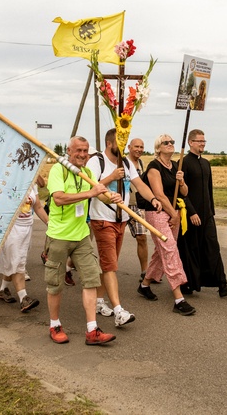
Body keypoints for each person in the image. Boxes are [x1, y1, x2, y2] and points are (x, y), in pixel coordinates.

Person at [44, 136, 119, 345]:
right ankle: (54, 324)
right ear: (69, 151)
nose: (83, 154)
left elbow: (99, 194)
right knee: (55, 284)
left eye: (86, 151)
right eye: (78, 150)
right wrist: (91, 192)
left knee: (91, 279)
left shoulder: (86, 173)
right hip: (58, 236)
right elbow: (58, 198)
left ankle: (92, 330)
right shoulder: (58, 170)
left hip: (81, 236)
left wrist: (111, 197)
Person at [87, 129, 161, 327]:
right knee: (110, 265)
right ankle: (119, 311)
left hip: (121, 219)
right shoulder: (97, 161)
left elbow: (139, 184)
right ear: (110, 143)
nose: (124, 147)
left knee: (108, 264)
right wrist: (111, 176)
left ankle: (99, 301)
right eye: (121, 143)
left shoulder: (127, 163)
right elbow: (90, 188)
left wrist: (152, 198)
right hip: (103, 219)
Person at [137, 135, 197, 315]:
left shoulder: (175, 167)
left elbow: (185, 192)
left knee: (161, 251)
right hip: (157, 213)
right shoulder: (154, 167)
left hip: (174, 212)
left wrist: (182, 180)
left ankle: (145, 284)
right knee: (170, 250)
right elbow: (159, 195)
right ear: (158, 147)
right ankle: (179, 299)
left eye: (172, 142)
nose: (170, 145)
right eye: (166, 143)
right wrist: (173, 214)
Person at [178, 129, 227, 297]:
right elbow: (180, 192)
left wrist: (211, 212)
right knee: (193, 250)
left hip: (207, 216)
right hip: (191, 215)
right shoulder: (183, 163)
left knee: (213, 248)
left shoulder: (206, 163)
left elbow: (209, 190)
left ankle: (222, 284)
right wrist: (191, 212)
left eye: (204, 141)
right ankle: (189, 283)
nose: (203, 144)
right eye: (199, 141)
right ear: (191, 142)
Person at [0, 183, 48, 312]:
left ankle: (3, 289)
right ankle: (23, 298)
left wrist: (49, 223)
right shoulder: (8, 181)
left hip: (27, 228)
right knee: (17, 262)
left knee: (15, 260)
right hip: (10, 228)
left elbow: (37, 207)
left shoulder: (32, 183)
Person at [127, 138, 152, 281]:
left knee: (142, 237)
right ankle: (70, 265)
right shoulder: (123, 162)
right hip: (121, 205)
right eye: (136, 146)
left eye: (142, 147)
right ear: (129, 147)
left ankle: (145, 271)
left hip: (136, 206)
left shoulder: (141, 163)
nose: (139, 149)